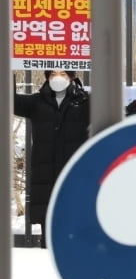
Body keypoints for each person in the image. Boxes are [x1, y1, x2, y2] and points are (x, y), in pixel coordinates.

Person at [14, 70, 90, 248]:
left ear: (71, 76)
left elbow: (109, 107)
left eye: (63, 74)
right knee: (48, 232)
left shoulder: (85, 101)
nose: (58, 77)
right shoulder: (36, 102)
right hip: (45, 175)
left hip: (74, 173)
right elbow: (9, 101)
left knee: (76, 227)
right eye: (54, 73)